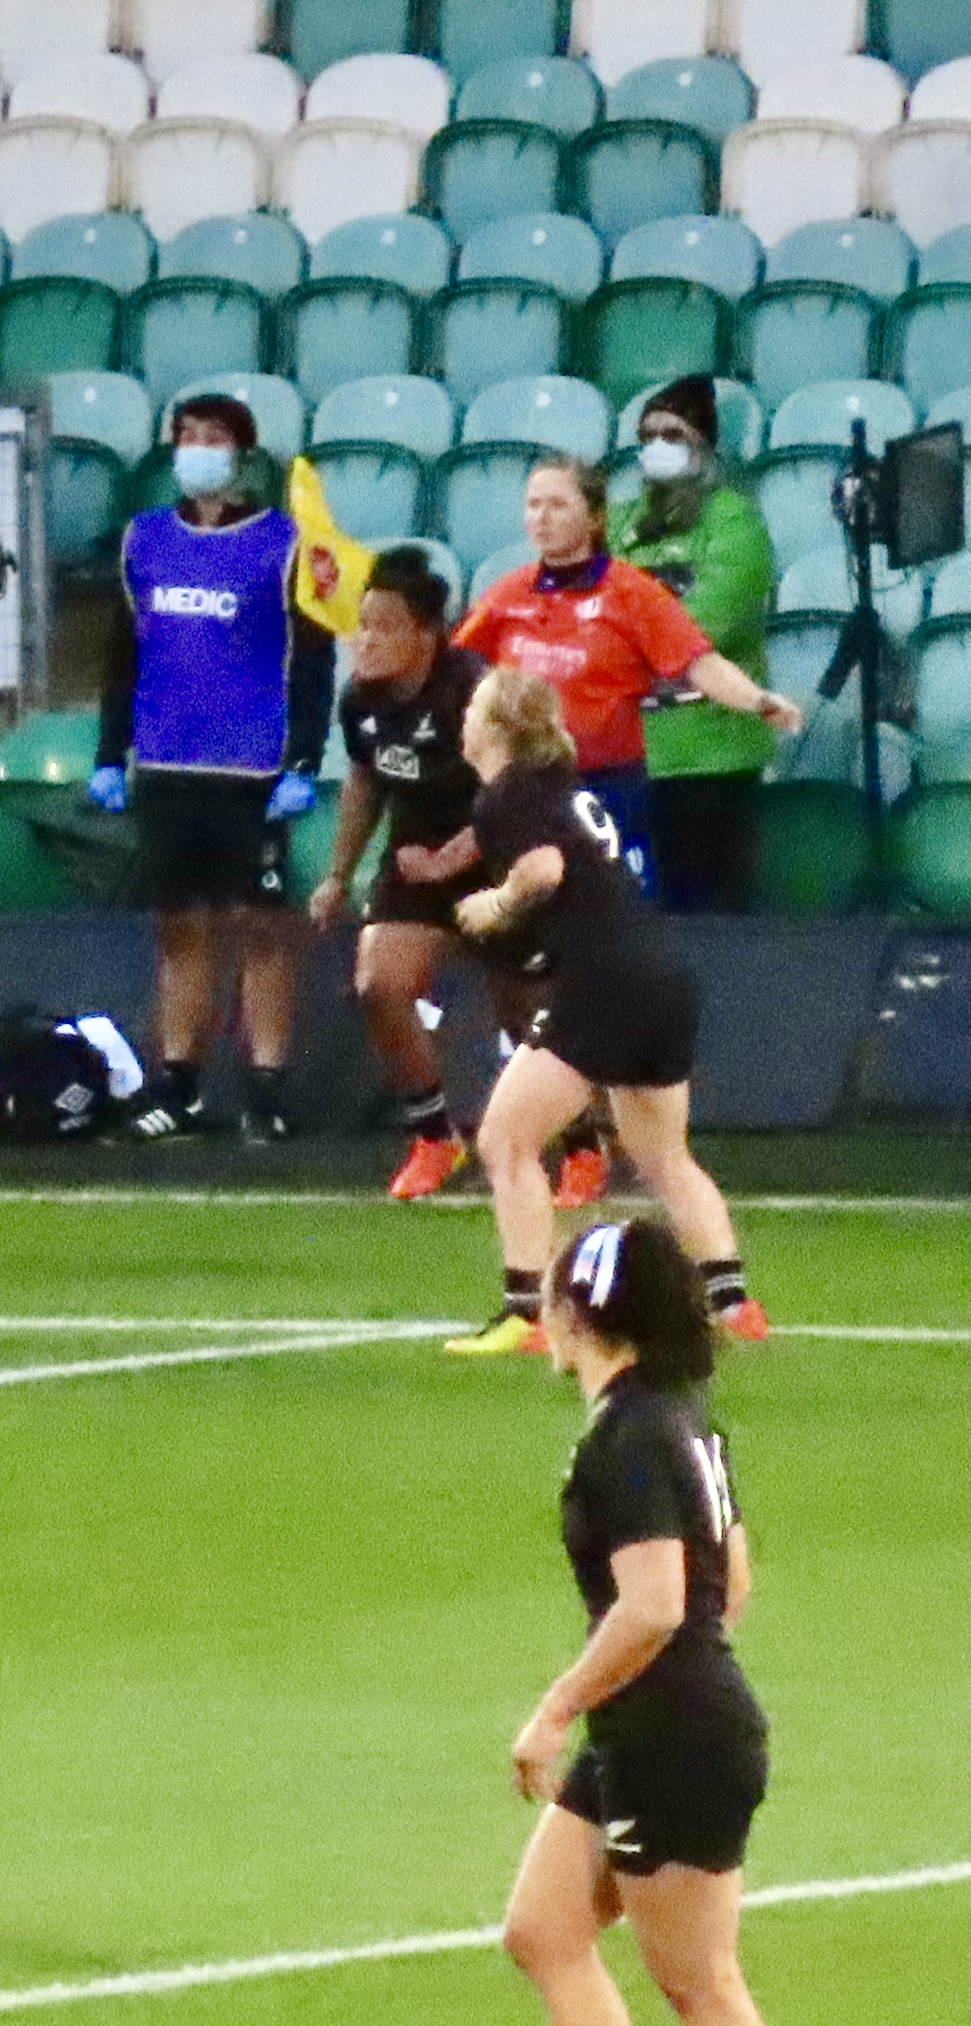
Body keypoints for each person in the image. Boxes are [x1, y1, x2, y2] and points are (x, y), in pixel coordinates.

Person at [497, 1217, 793, 2026]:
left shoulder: (626, 1436)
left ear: (581, 1313)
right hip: (658, 1718)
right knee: (541, 1928)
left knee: (696, 1977)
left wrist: (556, 1705)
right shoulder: (679, 1418)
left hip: (669, 1732)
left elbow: (658, 1601)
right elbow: (729, 1581)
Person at [440, 670, 773, 1355]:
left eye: (474, 706)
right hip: (660, 974)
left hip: (604, 983)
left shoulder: (509, 795)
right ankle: (732, 1299)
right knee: (663, 1155)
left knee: (505, 1141)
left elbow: (542, 871)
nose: (463, 716)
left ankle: (525, 1313)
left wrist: (496, 904)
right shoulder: (563, 789)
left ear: (498, 728)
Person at [88, 392, 331, 1136]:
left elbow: (312, 660)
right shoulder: (143, 539)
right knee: (178, 927)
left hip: (252, 766)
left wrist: (303, 759)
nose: (198, 449)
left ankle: (266, 1089)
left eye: (213, 436)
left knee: (261, 928)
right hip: (167, 760)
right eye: (186, 435)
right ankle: (181, 1085)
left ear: (242, 452)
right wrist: (110, 753)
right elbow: (122, 655)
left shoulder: (284, 544)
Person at [457, 456, 803, 889]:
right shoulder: (507, 593)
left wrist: (757, 700)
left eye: (558, 505)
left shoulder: (632, 592)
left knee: (617, 906)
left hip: (608, 788)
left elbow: (698, 662)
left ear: (595, 518)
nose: (541, 517)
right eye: (533, 505)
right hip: (524, 791)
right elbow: (458, 667)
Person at [309, 548, 501, 1201]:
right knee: (379, 985)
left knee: (525, 1007)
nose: (364, 640)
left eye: (383, 627)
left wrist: (452, 859)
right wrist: (338, 874)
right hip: (413, 857)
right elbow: (364, 781)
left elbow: (511, 797)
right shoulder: (360, 700)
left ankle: (585, 1145)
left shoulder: (474, 693)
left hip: (496, 856)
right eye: (361, 625)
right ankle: (434, 1134)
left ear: (426, 636)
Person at [607, 379, 784, 915]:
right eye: (648, 436)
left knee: (708, 924)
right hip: (630, 760)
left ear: (703, 446)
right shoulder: (618, 524)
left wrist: (619, 644)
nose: (657, 447)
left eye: (673, 435)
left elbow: (702, 626)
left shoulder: (735, 522)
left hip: (713, 759)